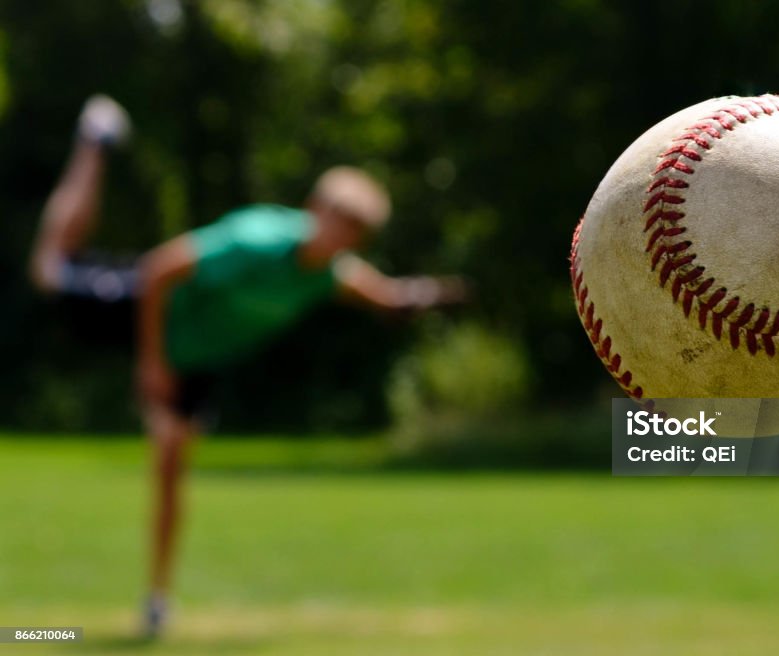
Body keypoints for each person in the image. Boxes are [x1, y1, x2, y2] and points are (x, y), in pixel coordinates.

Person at [28, 95, 466, 636]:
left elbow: (383, 296)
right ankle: (94, 143)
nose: (340, 238)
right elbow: (159, 269)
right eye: (337, 222)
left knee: (169, 462)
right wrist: (151, 364)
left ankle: (156, 601)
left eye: (354, 232)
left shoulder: (329, 271)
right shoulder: (256, 239)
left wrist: (427, 293)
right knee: (51, 270)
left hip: (197, 358)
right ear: (315, 209)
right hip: (147, 307)